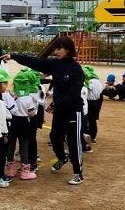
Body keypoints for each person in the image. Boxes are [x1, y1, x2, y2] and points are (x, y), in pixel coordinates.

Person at [6, 37, 85, 185]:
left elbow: (73, 94)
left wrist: (55, 104)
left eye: (58, 49)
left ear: (67, 49)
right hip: (60, 110)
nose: (55, 51)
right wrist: (14, 56)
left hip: (74, 110)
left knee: (74, 142)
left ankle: (78, 173)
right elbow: (35, 62)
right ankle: (62, 158)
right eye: (55, 49)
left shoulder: (76, 69)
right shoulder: (55, 64)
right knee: (55, 137)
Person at [4, 69, 39, 180]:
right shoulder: (28, 98)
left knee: (11, 146)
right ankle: (25, 171)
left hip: (14, 122)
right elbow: (32, 113)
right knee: (24, 147)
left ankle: (10, 169)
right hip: (24, 123)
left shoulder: (13, 96)